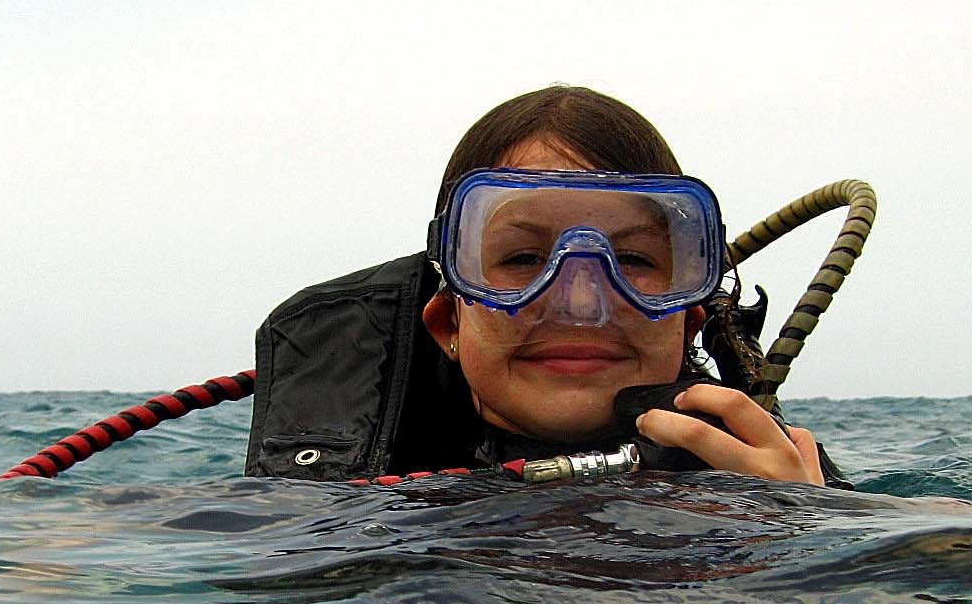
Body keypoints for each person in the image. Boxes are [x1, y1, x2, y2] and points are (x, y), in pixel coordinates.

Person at [243, 86, 840, 487]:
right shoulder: (329, 517)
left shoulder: (784, 488)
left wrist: (798, 540)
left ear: (687, 320)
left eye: (630, 259)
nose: (581, 305)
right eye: (525, 258)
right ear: (448, 323)